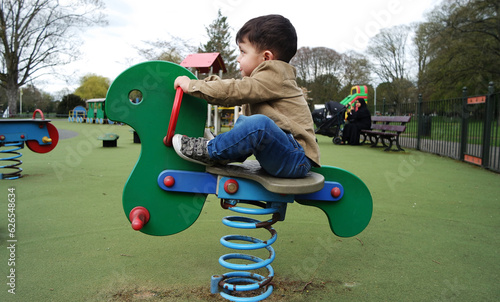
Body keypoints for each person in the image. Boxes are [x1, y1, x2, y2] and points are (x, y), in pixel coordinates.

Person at [172, 14, 320, 178]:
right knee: (248, 123)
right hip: (287, 155)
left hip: (295, 157)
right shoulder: (263, 83)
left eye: (243, 52)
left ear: (266, 58)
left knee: (258, 125)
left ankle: (210, 150)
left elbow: (234, 91)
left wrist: (193, 85)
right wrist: (204, 83)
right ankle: (222, 149)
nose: (238, 58)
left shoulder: (275, 74)